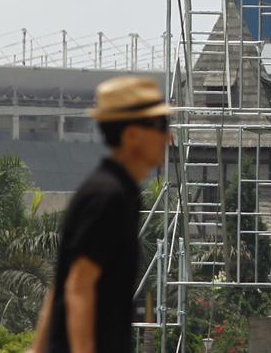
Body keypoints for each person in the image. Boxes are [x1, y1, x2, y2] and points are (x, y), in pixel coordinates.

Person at [27, 77, 171, 353]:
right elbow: (78, 286)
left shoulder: (122, 193)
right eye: (160, 126)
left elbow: (62, 282)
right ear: (131, 135)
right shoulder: (108, 196)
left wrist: (36, 349)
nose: (169, 136)